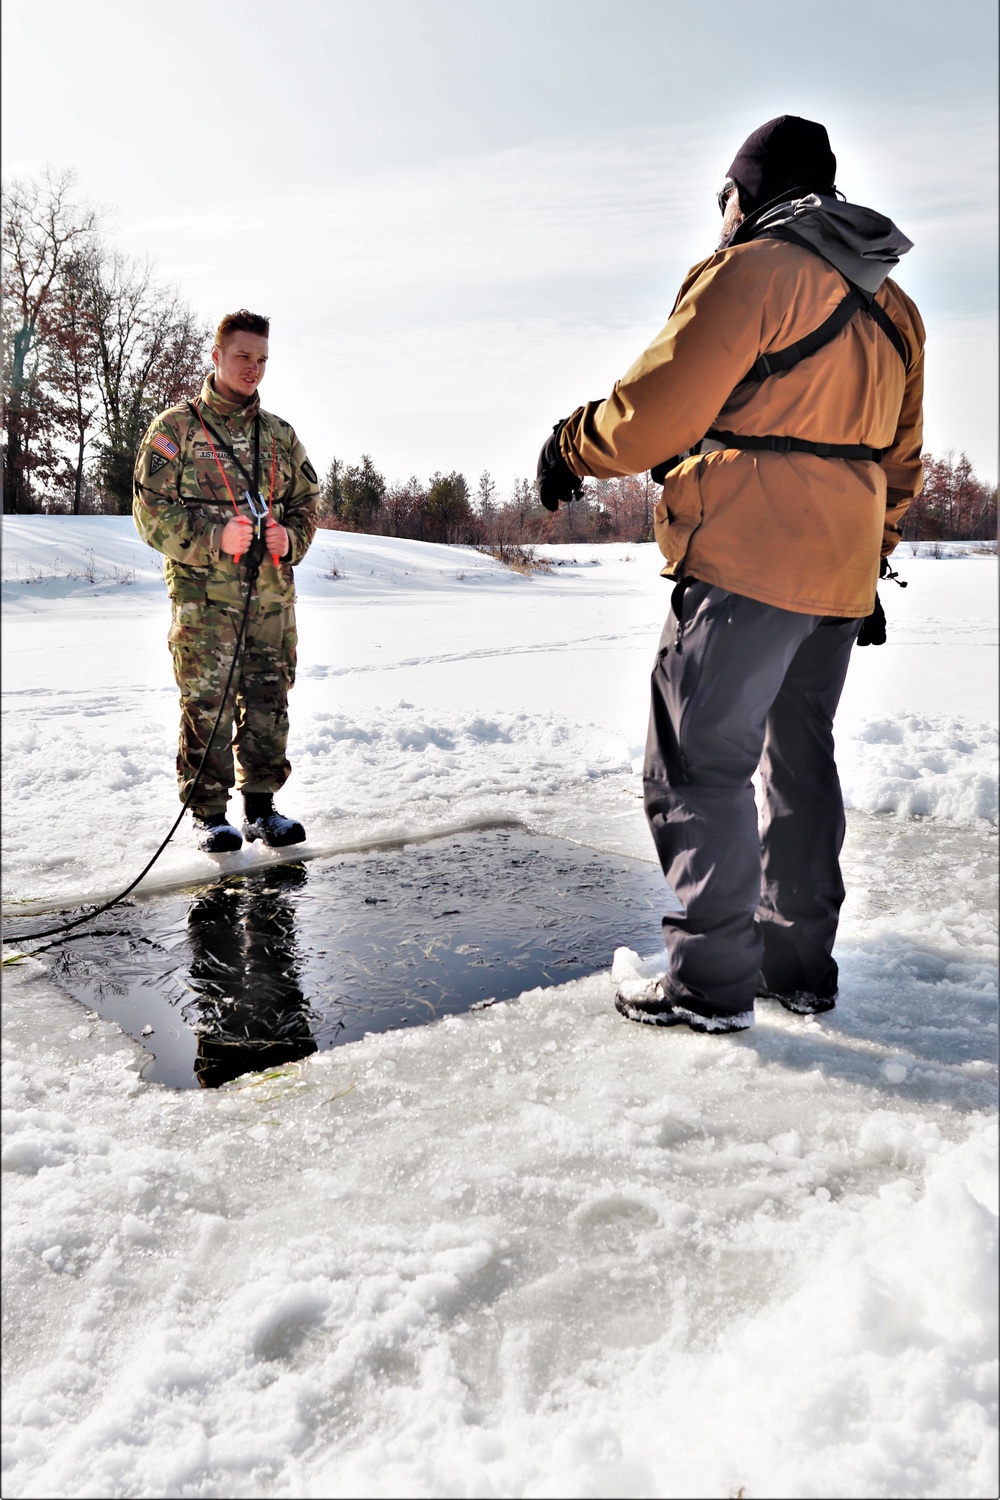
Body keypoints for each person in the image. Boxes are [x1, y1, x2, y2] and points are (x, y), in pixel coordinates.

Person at [537, 115, 924, 1034]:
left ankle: (710, 982)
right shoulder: (894, 307)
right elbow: (901, 460)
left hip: (750, 556)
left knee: (696, 765)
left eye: (726, 194)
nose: (721, 211)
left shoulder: (754, 269)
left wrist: (572, 446)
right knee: (798, 762)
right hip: (837, 575)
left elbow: (656, 413)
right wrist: (872, 562)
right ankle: (797, 965)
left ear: (748, 190)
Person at [134, 309, 319, 852]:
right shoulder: (176, 429)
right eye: (243, 356)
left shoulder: (280, 436)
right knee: (206, 703)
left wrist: (292, 537)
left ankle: (262, 808)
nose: (253, 369)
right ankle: (210, 813)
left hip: (270, 599)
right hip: (205, 601)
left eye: (262, 359)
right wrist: (216, 537)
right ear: (216, 356)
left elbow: (308, 504)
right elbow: (149, 514)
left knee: (269, 697)